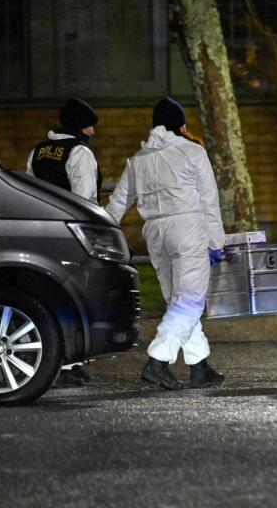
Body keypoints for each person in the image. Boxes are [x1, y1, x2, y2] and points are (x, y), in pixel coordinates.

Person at [106, 97, 226, 390]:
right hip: (188, 227)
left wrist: (102, 232)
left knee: (179, 301)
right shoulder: (192, 152)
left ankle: (200, 366)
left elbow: (118, 202)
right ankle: (158, 362)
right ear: (180, 125)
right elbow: (210, 200)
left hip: (155, 233)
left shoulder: (139, 159)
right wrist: (216, 242)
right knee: (190, 300)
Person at [27, 97, 102, 387]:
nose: (92, 133)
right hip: (71, 235)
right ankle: (69, 364)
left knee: (47, 295)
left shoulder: (39, 151)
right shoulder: (79, 153)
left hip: (41, 233)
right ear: (79, 127)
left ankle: (52, 361)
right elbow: (85, 199)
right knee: (74, 298)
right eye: (89, 127)